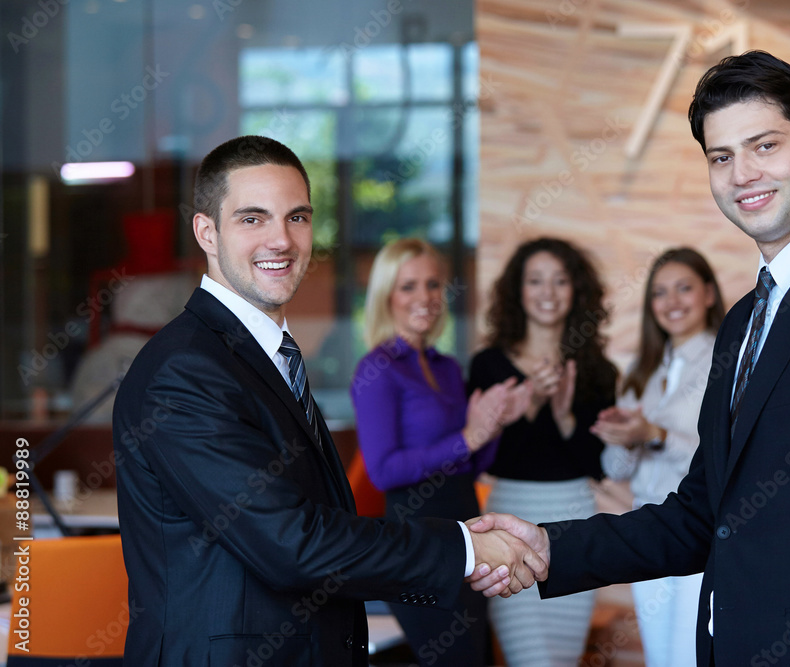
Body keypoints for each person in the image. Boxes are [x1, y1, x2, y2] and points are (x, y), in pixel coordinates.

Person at [469, 51, 790, 667]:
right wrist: (550, 546)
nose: (743, 174)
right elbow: (700, 516)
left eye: (764, 146)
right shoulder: (741, 323)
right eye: (722, 156)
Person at [112, 135, 543, 667]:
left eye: (297, 217)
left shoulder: (266, 355)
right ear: (207, 232)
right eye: (253, 219)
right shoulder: (185, 370)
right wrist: (465, 549)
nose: (282, 240)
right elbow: (292, 543)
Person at [351, 238, 530, 666]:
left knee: (474, 656)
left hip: (467, 534)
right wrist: (467, 437)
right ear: (386, 296)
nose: (425, 297)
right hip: (416, 544)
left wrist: (495, 425)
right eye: (408, 285)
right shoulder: (377, 371)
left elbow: (471, 465)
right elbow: (383, 471)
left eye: (433, 285)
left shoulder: (447, 367)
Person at [468, 237, 618, 667]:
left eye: (560, 281)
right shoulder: (489, 365)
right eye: (535, 281)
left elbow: (597, 467)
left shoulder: (596, 369)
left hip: (574, 517)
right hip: (509, 517)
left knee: (563, 657)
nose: (547, 292)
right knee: (530, 657)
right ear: (518, 290)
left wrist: (565, 414)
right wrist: (530, 404)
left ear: (577, 291)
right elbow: (486, 461)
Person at [591, 247, 723, 667]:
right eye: (661, 293)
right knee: (660, 659)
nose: (673, 302)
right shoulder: (643, 371)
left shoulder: (726, 361)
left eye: (684, 288)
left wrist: (655, 433)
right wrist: (622, 437)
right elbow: (615, 470)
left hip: (698, 532)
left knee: (689, 656)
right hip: (648, 531)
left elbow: (726, 458)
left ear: (708, 293)